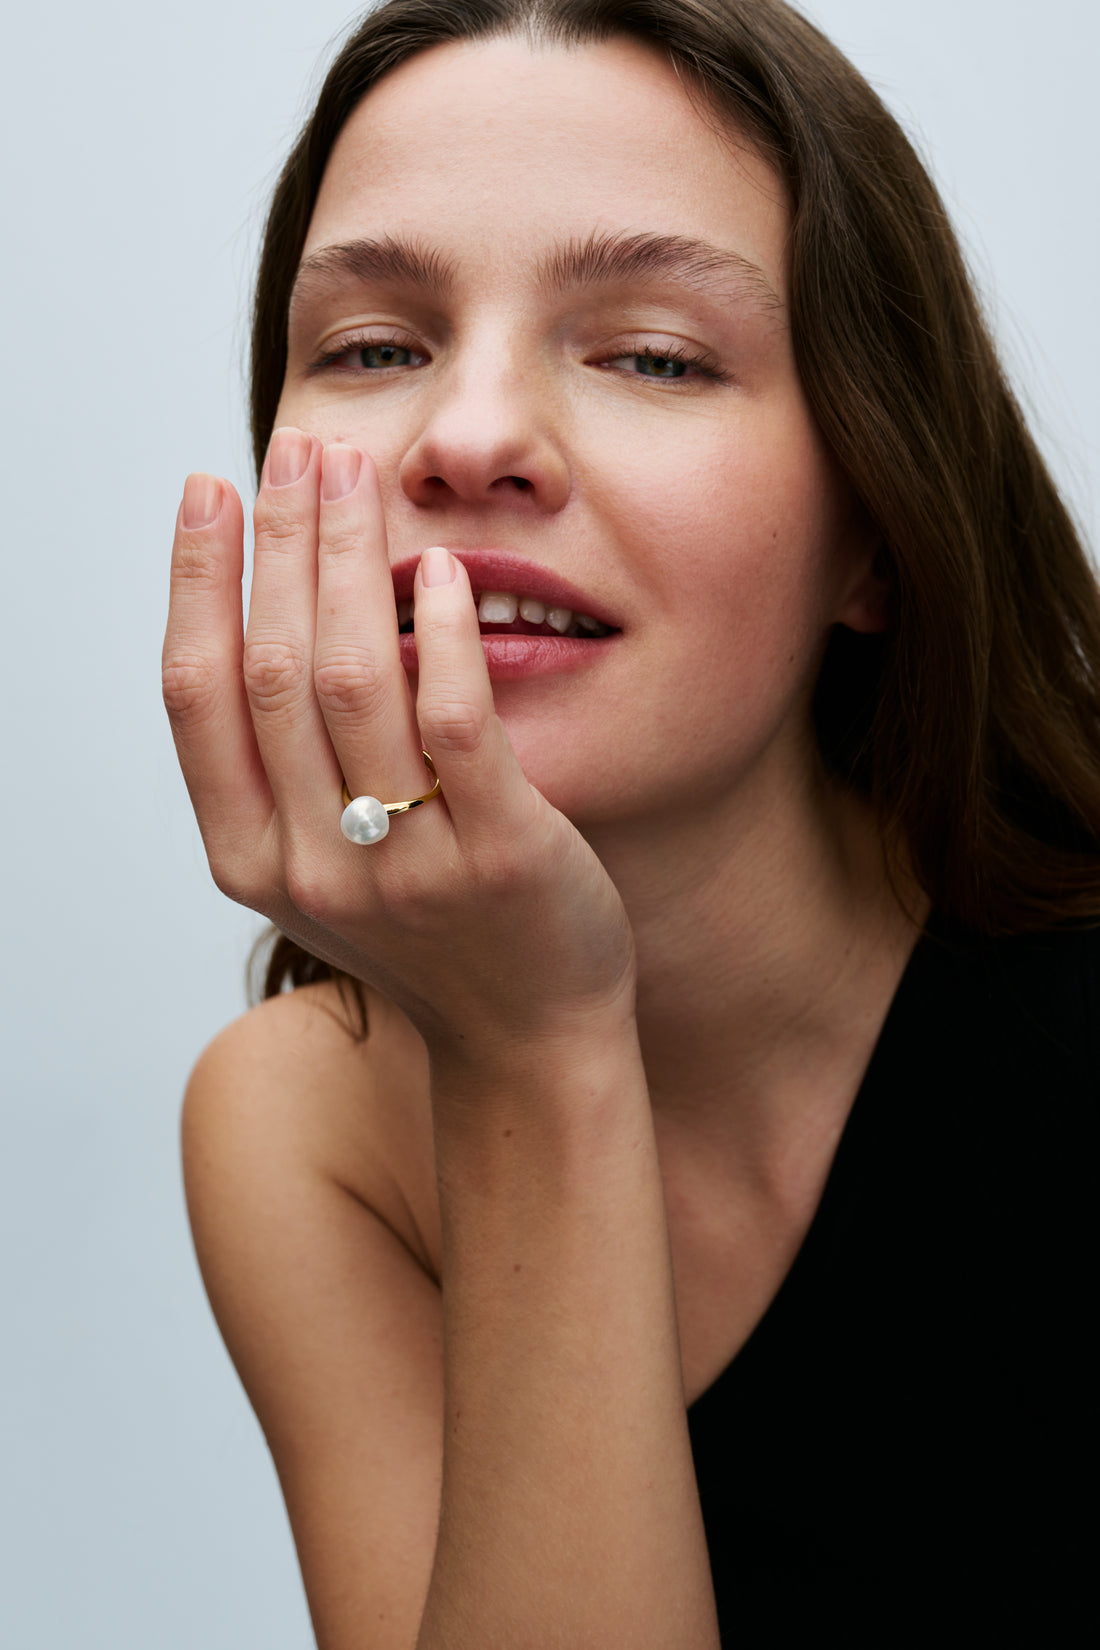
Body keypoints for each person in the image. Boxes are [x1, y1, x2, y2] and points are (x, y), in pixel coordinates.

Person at [162, 0, 1099, 1643]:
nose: (465, 440)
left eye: (655, 354)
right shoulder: (304, 1128)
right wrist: (534, 1045)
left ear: (875, 531)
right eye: (376, 348)